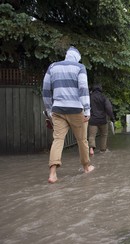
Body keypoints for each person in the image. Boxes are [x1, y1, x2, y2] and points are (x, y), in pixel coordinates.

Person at [42, 46, 94, 183]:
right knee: (82, 140)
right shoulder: (80, 67)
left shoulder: (52, 67)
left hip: (57, 109)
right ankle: (86, 167)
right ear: (77, 57)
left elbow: (46, 90)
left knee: (58, 139)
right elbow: (83, 88)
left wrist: (49, 110)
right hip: (76, 110)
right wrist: (87, 110)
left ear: (66, 55)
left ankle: (52, 174)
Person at [88, 84, 115, 155]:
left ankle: (91, 149)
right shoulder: (104, 97)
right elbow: (109, 108)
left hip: (92, 120)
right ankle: (103, 149)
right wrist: (112, 117)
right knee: (104, 135)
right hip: (102, 120)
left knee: (91, 136)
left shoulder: (89, 97)